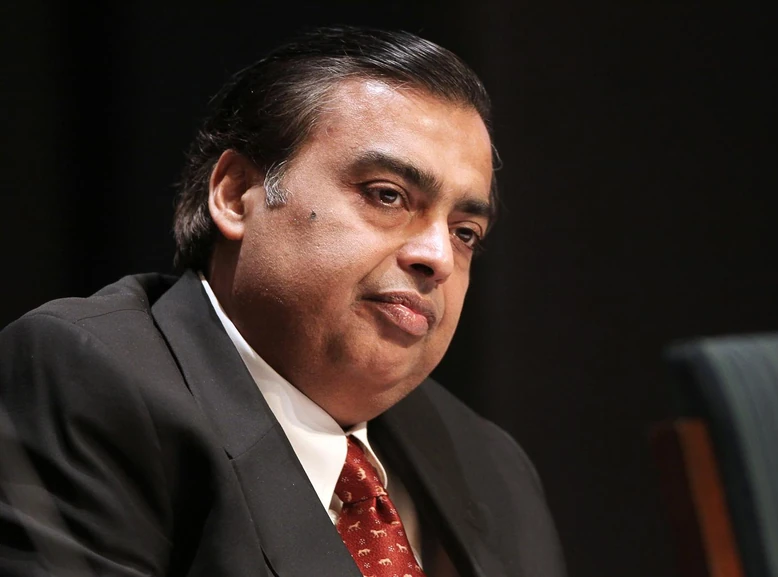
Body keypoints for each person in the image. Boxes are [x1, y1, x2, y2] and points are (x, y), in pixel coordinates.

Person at [0, 26, 566, 577]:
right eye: (387, 196)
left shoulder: (492, 465)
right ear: (236, 195)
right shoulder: (92, 378)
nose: (437, 256)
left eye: (465, 232)